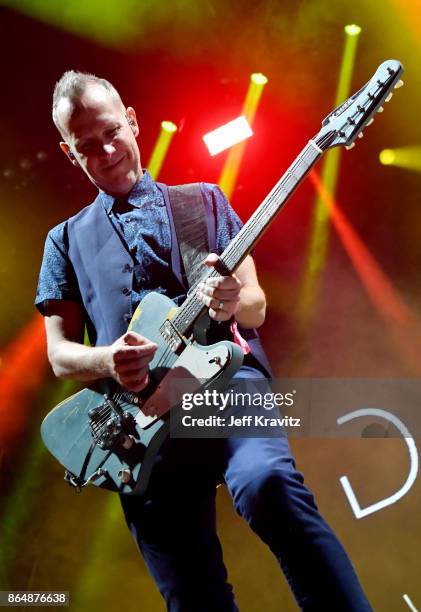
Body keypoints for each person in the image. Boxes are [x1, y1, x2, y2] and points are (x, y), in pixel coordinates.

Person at [35, 71, 372, 611]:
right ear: (69, 153)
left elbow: (258, 304)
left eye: (110, 132)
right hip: (136, 424)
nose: (105, 151)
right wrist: (108, 357)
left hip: (225, 381)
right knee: (192, 594)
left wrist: (232, 298)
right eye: (86, 146)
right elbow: (58, 354)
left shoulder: (203, 201)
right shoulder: (64, 240)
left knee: (267, 485)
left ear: (132, 121)